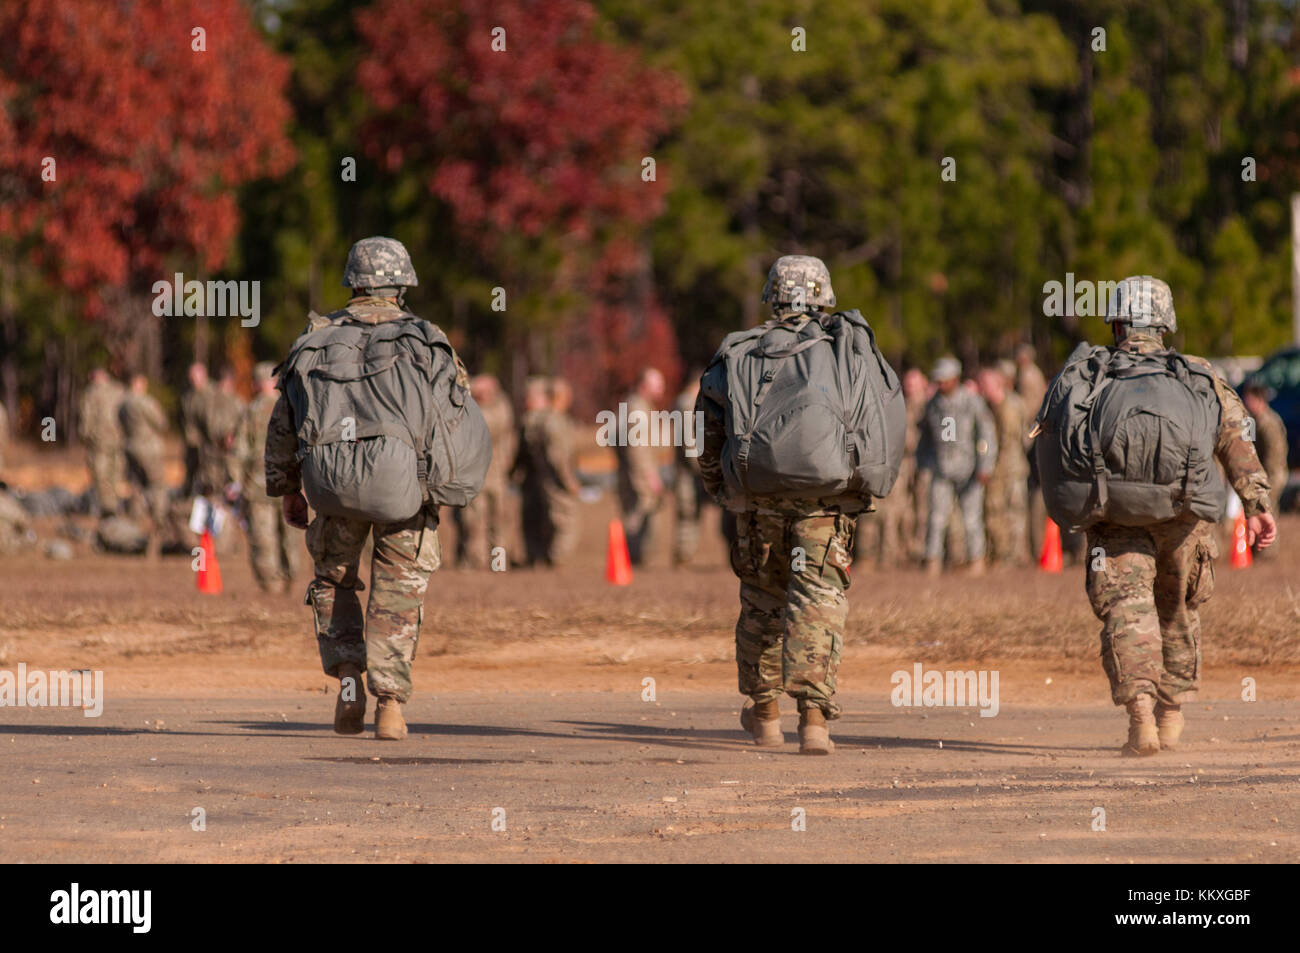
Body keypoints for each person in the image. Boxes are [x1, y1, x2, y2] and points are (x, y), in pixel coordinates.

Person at [1040, 276, 1276, 755]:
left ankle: (1141, 717)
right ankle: (1172, 713)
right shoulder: (1198, 374)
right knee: (1177, 609)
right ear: (1166, 321)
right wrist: (1257, 505)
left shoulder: (1092, 372)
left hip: (1113, 514)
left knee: (1128, 610)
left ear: (1118, 322)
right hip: (1183, 516)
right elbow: (1236, 438)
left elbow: (1054, 441)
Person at [266, 236, 482, 741]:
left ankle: (347, 682)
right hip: (404, 488)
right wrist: (440, 488)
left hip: (331, 486)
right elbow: (455, 421)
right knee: (398, 590)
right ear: (403, 281)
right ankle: (389, 704)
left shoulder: (315, 339)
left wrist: (288, 490)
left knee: (335, 581)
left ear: (354, 282)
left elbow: (284, 423)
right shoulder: (427, 340)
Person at [697, 254, 903, 755]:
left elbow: (705, 432)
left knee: (761, 604)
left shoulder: (739, 354)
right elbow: (884, 423)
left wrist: (723, 489)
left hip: (758, 504)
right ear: (823, 296)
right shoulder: (848, 350)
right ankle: (814, 722)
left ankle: (765, 716)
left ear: (772, 294)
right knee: (817, 602)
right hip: (825, 505)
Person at [917, 357, 997, 575]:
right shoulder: (933, 404)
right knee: (936, 518)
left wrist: (985, 465)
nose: (941, 384)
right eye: (938, 380)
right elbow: (925, 437)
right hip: (941, 469)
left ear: (955, 379)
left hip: (969, 470)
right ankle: (932, 561)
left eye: (945, 380)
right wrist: (924, 463)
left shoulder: (972, 401)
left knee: (972, 519)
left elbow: (986, 434)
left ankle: (976, 561)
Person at [232, 362, 298, 592]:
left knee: (264, 537)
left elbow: (238, 451)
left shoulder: (250, 412)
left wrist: (236, 482)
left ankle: (272, 584)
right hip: (289, 483)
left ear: (255, 384)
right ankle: (291, 577)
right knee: (290, 534)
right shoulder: (292, 408)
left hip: (258, 485)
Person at [454, 375, 516, 569]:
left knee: (498, 523)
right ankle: (476, 561)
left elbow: (486, 426)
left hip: (495, 476)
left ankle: (498, 563)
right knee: (474, 523)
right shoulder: (471, 409)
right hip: (474, 476)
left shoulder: (499, 410)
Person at [977, 365, 1030, 566]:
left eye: (986, 384)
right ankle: (1000, 553)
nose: (982, 388)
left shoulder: (1010, 407)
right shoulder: (989, 407)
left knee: (1013, 513)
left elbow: (1010, 443)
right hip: (1000, 469)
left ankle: (1013, 556)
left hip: (1011, 469)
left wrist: (993, 469)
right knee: (995, 512)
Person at [616, 368, 665, 565]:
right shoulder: (637, 409)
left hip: (635, 471)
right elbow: (637, 447)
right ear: (644, 386)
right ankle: (636, 560)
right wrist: (650, 475)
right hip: (640, 474)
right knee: (640, 516)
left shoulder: (637, 406)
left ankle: (636, 558)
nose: (662, 389)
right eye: (658, 385)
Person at [119, 374, 170, 559]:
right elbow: (161, 422)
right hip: (149, 450)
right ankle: (158, 531)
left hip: (130, 448)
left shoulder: (122, 404)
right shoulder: (144, 402)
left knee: (137, 490)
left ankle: (133, 529)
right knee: (157, 488)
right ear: (140, 384)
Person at [79, 368, 125, 518]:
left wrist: (85, 435)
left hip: (99, 440)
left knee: (100, 473)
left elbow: (86, 416)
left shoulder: (91, 393)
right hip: (117, 438)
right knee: (115, 471)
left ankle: (108, 507)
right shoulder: (119, 391)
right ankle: (113, 503)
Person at [672, 375, 707, 566]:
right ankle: (683, 556)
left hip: (688, 474)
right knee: (688, 514)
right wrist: (704, 467)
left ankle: (685, 554)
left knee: (690, 514)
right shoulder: (687, 404)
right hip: (688, 475)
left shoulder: (682, 403)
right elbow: (689, 444)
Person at [1241, 382, 1289, 520]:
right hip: (1261, 477)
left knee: (1267, 516)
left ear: (1259, 400)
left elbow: (1274, 457)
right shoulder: (1253, 421)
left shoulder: (1268, 423)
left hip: (1271, 477)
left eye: (1249, 399)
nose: (1246, 402)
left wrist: (1264, 483)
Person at [180, 363, 212, 497]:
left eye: (196, 378)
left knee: (208, 477)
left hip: (206, 445)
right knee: (190, 475)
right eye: (191, 378)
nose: (193, 381)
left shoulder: (211, 395)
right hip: (191, 443)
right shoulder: (188, 396)